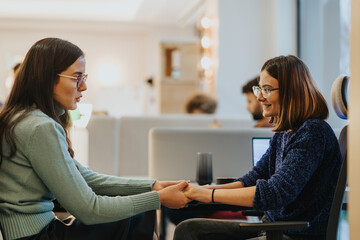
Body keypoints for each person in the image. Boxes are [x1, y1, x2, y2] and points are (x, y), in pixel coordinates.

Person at [0, 38, 190, 240]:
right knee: (138, 216)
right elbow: (88, 209)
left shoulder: (21, 118)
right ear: (47, 79)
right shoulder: (40, 127)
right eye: (76, 77)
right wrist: (157, 199)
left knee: (137, 216)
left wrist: (152, 186)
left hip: (28, 233)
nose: (84, 87)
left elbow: (85, 177)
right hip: (35, 236)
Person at [174, 55, 342, 240]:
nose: (260, 97)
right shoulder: (284, 132)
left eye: (267, 90)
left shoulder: (312, 132)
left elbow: (275, 192)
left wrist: (210, 195)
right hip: (273, 228)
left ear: (290, 92)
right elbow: (253, 178)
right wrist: (203, 191)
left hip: (294, 234)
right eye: (259, 89)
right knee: (188, 229)